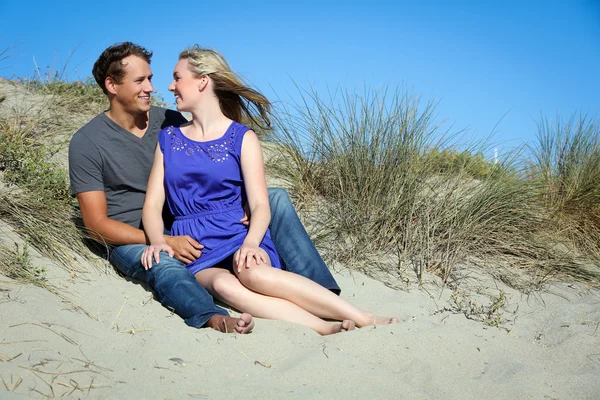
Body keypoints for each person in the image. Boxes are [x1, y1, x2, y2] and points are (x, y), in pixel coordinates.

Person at [68, 42, 340, 334]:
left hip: (183, 223)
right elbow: (96, 225)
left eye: (150, 78)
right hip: (132, 237)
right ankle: (213, 317)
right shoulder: (88, 142)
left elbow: (212, 152)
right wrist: (162, 241)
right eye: (140, 81)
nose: (151, 86)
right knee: (164, 265)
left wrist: (244, 198)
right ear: (111, 85)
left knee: (274, 198)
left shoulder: (168, 121)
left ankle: (322, 294)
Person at [141, 45, 398, 335]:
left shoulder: (242, 137)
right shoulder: (169, 139)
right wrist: (157, 240)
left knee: (253, 272)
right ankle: (320, 327)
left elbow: (261, 205)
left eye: (177, 77)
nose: (171, 85)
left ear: (202, 81)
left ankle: (361, 316)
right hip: (195, 245)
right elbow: (152, 204)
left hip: (237, 234)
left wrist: (251, 243)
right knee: (223, 285)